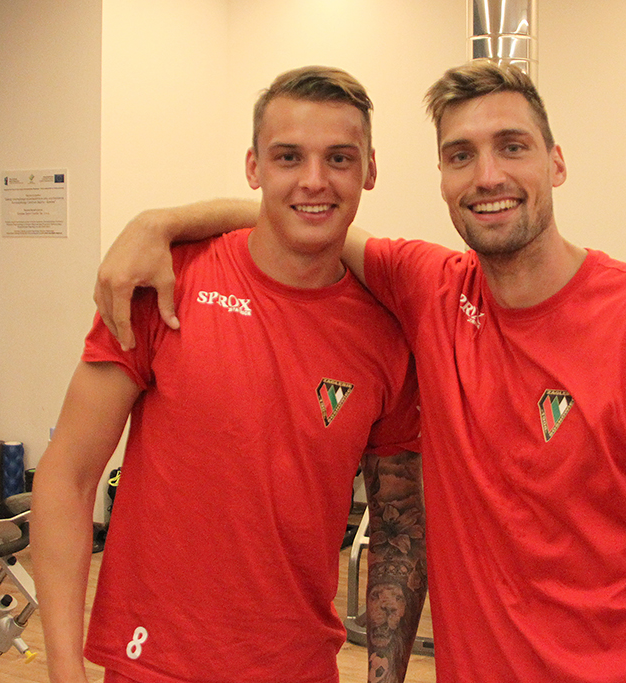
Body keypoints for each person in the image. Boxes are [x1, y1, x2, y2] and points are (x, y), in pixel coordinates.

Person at [94, 61, 626, 683]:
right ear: (442, 179)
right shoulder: (432, 291)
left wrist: (161, 220)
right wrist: (159, 223)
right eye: (461, 155)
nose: (487, 176)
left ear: (557, 162)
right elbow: (304, 216)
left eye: (512, 146)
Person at [30, 66, 427, 683]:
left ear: (369, 170)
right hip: (150, 664)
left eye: (339, 158)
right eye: (288, 157)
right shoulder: (166, 283)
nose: (314, 179)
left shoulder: (386, 335)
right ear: (253, 167)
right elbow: (69, 477)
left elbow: (398, 532)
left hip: (298, 667)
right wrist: (62, 667)